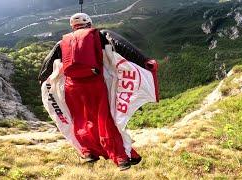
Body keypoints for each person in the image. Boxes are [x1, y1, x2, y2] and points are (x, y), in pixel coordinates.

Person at [38, 13, 158, 170]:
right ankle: (121, 158)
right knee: (104, 119)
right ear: (89, 23)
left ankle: (88, 152)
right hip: (94, 84)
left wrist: (43, 81)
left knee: (80, 120)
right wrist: (145, 61)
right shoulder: (100, 34)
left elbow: (46, 67)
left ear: (72, 26)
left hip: (71, 87)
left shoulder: (62, 43)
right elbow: (122, 46)